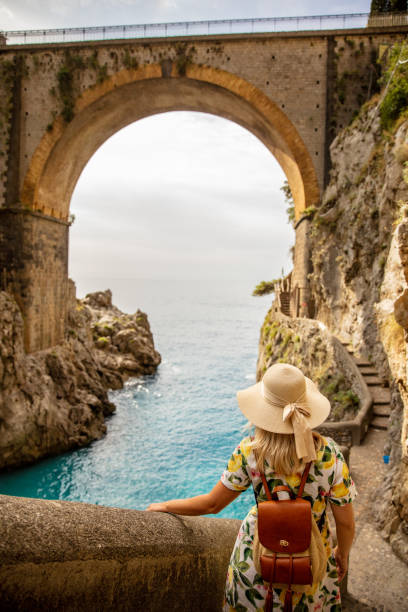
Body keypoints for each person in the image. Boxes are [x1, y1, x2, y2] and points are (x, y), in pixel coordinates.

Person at [147, 362, 356, 611]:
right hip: (313, 561)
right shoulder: (329, 454)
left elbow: (212, 504)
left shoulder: (249, 452)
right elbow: (345, 522)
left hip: (257, 558)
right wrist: (342, 553)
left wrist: (165, 505)